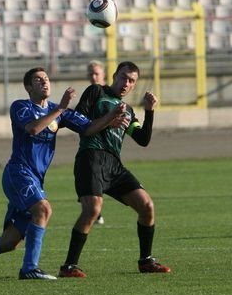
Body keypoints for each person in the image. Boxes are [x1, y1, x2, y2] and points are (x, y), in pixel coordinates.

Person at [0, 67, 126, 281]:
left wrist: (111, 117)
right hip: (18, 173)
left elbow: (89, 128)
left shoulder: (57, 110)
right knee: (43, 209)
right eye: (38, 80)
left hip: (34, 178)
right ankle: (29, 269)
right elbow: (33, 129)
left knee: (9, 242)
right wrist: (61, 109)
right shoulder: (21, 107)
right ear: (28, 87)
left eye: (46, 79)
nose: (44, 82)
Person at [59, 61, 171, 278]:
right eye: (123, 77)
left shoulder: (127, 110)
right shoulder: (96, 92)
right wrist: (108, 120)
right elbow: (81, 122)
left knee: (147, 205)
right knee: (92, 209)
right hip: (90, 157)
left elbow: (143, 139)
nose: (126, 83)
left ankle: (146, 261)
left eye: (131, 81)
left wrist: (149, 111)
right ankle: (69, 266)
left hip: (114, 165)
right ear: (114, 76)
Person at [86, 60, 107, 225]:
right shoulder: (90, 93)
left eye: (96, 74)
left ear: (104, 75)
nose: (93, 77)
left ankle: (94, 212)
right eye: (91, 74)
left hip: (108, 144)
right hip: (91, 144)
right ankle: (94, 212)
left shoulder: (108, 93)